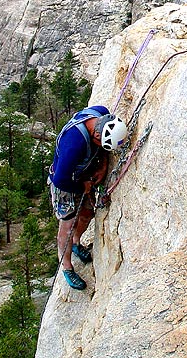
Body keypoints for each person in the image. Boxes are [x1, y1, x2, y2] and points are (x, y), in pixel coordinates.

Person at [49, 105, 128, 290]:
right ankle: (67, 267)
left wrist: (103, 165)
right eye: (101, 144)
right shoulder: (74, 142)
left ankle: (76, 243)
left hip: (83, 174)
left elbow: (103, 147)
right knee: (67, 226)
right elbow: (61, 179)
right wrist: (81, 186)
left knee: (86, 214)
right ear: (97, 136)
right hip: (66, 184)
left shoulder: (100, 114)